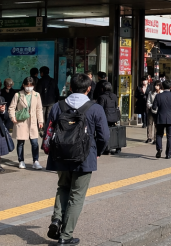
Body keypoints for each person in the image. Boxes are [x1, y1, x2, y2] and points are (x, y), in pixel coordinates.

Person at [45, 73, 109, 244]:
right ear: (89, 89)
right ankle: (65, 236)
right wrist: (98, 151)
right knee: (77, 195)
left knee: (63, 187)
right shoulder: (95, 108)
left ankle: (57, 219)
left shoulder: (58, 106)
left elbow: (48, 131)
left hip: (60, 155)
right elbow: (104, 136)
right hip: (84, 156)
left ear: (70, 88)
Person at [8, 77, 44, 170]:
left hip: (32, 122)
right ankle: (21, 160)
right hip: (21, 121)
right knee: (20, 142)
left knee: (35, 142)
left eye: (31, 85)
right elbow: (11, 107)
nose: (29, 87)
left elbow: (39, 109)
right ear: (23, 85)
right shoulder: (18, 95)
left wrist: (40, 121)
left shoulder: (37, 95)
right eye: (27, 85)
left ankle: (35, 161)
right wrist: (13, 117)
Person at [152, 80, 171, 159]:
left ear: (162, 87)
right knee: (170, 136)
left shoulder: (158, 96)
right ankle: (168, 154)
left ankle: (159, 148)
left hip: (160, 117)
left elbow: (154, 107)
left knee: (159, 134)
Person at [96, 82, 121, 154]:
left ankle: (106, 148)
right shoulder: (114, 96)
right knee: (115, 131)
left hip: (106, 117)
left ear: (103, 89)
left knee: (103, 131)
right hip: (115, 117)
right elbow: (116, 105)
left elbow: (100, 108)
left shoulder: (102, 97)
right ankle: (118, 148)